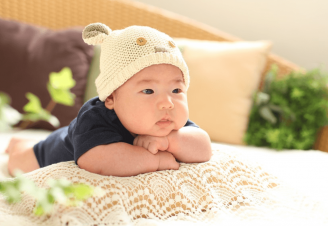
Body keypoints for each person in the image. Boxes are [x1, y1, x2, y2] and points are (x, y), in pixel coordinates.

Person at [6, 23, 212, 177]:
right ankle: (19, 145)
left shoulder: (168, 119)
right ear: (112, 98)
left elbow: (203, 147)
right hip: (46, 153)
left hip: (71, 135)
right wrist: (156, 160)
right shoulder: (94, 116)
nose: (168, 102)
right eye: (149, 90)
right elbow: (98, 160)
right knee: (18, 163)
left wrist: (169, 141)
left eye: (176, 89)